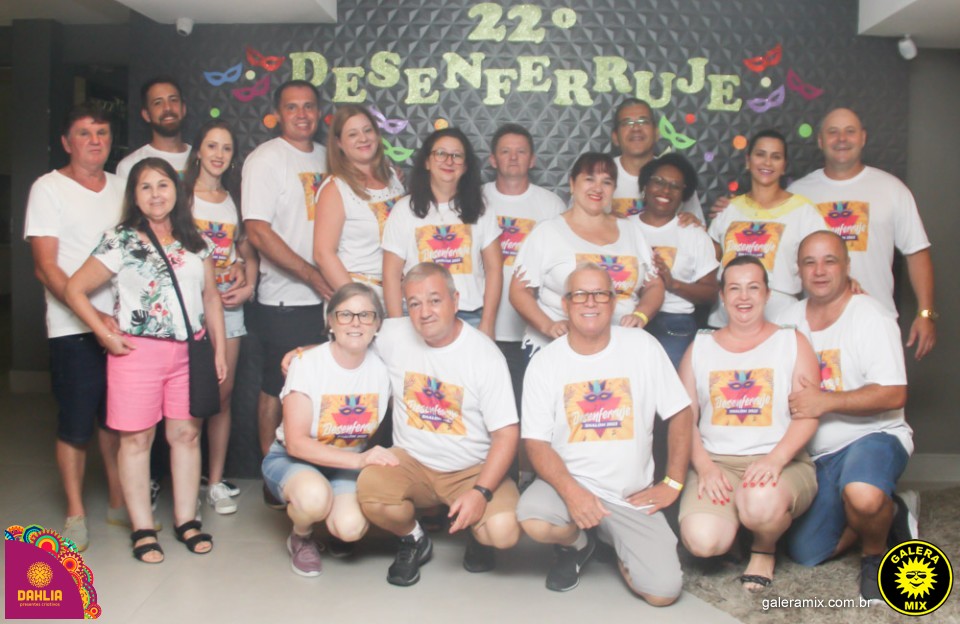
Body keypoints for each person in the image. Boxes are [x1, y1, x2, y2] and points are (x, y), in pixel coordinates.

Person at [64, 157, 227, 564]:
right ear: (134, 196)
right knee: (136, 441)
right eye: (146, 187)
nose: (156, 194)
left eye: (163, 185)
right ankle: (141, 529)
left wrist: (220, 350)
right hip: (137, 354)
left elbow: (210, 297)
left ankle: (187, 520)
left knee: (186, 436)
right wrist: (104, 332)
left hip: (189, 352)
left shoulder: (196, 241)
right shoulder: (119, 240)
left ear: (177, 191)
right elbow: (74, 289)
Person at [517, 263, 693, 603]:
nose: (590, 302)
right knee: (534, 517)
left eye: (600, 294)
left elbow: (680, 413)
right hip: (571, 487)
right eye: (580, 294)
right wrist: (572, 493)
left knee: (663, 593)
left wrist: (673, 482)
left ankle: (614, 541)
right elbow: (536, 443)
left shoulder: (642, 346)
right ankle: (579, 543)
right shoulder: (545, 363)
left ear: (613, 302)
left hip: (629, 496)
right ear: (565, 304)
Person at [356, 263, 520, 586]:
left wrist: (480, 493)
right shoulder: (393, 334)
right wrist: (306, 352)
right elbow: (350, 342)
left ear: (455, 301)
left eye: (434, 300)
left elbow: (506, 434)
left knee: (502, 532)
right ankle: (414, 538)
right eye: (414, 303)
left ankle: (477, 534)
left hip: (470, 469)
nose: (424, 312)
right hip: (413, 462)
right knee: (370, 491)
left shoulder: (484, 356)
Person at [778, 231, 914, 603]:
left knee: (863, 495)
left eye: (830, 261)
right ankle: (890, 510)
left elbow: (893, 393)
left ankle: (875, 556)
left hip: (872, 437)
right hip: (817, 455)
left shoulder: (871, 316)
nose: (820, 271)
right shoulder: (787, 320)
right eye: (810, 262)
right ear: (799, 270)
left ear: (847, 266)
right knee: (806, 552)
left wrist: (824, 402)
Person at [678, 256, 819, 592]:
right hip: (718, 464)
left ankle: (763, 548)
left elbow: (809, 414)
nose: (744, 297)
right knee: (703, 541)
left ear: (767, 294)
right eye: (735, 289)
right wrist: (705, 468)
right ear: (722, 296)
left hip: (780, 462)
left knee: (759, 501)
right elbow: (684, 421)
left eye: (753, 288)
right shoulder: (700, 347)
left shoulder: (792, 341)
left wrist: (775, 460)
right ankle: (734, 530)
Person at [24, 102, 126, 551]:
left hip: (122, 325)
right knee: (76, 424)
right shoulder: (48, 189)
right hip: (72, 329)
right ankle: (75, 514)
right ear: (67, 142)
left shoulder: (122, 187)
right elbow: (46, 268)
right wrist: (93, 317)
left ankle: (119, 502)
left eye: (101, 132)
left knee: (117, 420)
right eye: (84, 133)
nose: (94, 141)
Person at [263, 283, 397, 577]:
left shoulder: (384, 368)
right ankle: (301, 535)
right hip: (293, 459)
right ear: (331, 322)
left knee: (350, 529)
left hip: (343, 464)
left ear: (377, 324)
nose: (355, 323)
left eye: (365, 315)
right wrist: (360, 460)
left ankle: (333, 520)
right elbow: (296, 443)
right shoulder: (307, 364)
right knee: (314, 498)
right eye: (345, 314)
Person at [788, 108, 936, 360]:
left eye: (850, 131)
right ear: (820, 140)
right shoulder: (798, 194)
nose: (842, 139)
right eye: (833, 132)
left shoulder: (892, 189)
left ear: (863, 137)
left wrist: (925, 313)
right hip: (815, 327)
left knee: (882, 386)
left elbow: (917, 252)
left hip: (876, 320)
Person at [243, 80, 331, 506]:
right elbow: (258, 231)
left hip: (328, 299)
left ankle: (314, 469)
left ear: (319, 112)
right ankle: (271, 473)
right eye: (292, 107)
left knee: (321, 389)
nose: (301, 114)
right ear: (277, 114)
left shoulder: (329, 157)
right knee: (277, 385)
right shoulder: (266, 159)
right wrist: (311, 276)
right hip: (285, 299)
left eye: (308, 106)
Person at [510, 152, 663, 353]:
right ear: (572, 184)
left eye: (606, 182)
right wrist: (548, 326)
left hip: (620, 348)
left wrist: (641, 314)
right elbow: (519, 291)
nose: (598, 188)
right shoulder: (547, 232)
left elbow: (654, 285)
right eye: (589, 179)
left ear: (613, 189)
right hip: (556, 348)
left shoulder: (631, 231)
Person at [483, 123, 566, 483]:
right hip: (485, 324)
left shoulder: (550, 204)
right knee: (488, 412)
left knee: (528, 410)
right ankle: (494, 482)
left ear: (532, 159)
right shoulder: (477, 198)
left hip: (535, 331)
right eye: (505, 151)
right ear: (492, 159)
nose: (513, 158)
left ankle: (528, 482)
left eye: (520, 151)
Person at [183, 120, 258, 514]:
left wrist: (249, 283)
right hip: (188, 311)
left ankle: (214, 483)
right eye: (211, 145)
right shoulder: (180, 197)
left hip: (229, 308)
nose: (218, 154)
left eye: (226, 148)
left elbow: (247, 251)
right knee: (190, 400)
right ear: (198, 150)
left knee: (222, 397)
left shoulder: (235, 199)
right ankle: (186, 487)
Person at [381, 128, 502, 339]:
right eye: (440, 153)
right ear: (427, 162)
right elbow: (391, 275)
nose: (448, 161)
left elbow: (494, 269)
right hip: (419, 316)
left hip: (470, 316)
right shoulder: (403, 210)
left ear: (465, 166)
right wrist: (397, 327)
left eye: (457, 155)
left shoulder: (481, 208)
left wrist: (488, 322)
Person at [707, 129, 826, 326]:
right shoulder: (728, 209)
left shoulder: (804, 211)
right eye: (760, 154)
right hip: (726, 320)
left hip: (781, 319)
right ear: (748, 161)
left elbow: (824, 259)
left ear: (784, 166)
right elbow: (706, 265)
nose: (767, 163)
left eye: (776, 157)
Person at [313, 104, 405, 302]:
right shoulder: (335, 188)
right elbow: (323, 254)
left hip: (398, 294)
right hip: (360, 293)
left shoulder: (392, 177)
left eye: (367, 130)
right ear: (339, 143)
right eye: (353, 134)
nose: (363, 139)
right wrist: (358, 300)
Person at [635, 154, 719, 368]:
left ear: (684, 195)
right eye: (658, 181)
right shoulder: (623, 227)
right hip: (628, 317)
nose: (665, 190)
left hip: (674, 321)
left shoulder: (694, 234)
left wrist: (673, 284)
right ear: (645, 185)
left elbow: (711, 293)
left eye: (675, 186)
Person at [609, 98, 704, 221]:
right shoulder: (600, 174)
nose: (636, 128)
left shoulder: (676, 176)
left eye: (643, 121)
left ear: (656, 133)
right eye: (627, 123)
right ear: (615, 137)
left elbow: (696, 226)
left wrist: (692, 222)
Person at [116, 76, 191, 178]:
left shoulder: (202, 159)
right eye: (158, 103)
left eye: (173, 100)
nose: (167, 108)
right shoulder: (130, 165)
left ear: (183, 109)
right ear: (146, 115)